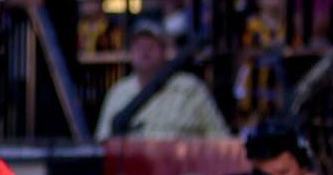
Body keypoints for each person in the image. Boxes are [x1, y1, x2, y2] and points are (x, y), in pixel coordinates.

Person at [95, 19, 233, 140]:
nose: (145, 52)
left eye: (151, 46)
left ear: (164, 51)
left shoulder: (190, 88)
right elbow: (103, 142)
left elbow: (219, 138)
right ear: (130, 52)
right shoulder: (118, 91)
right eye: (139, 47)